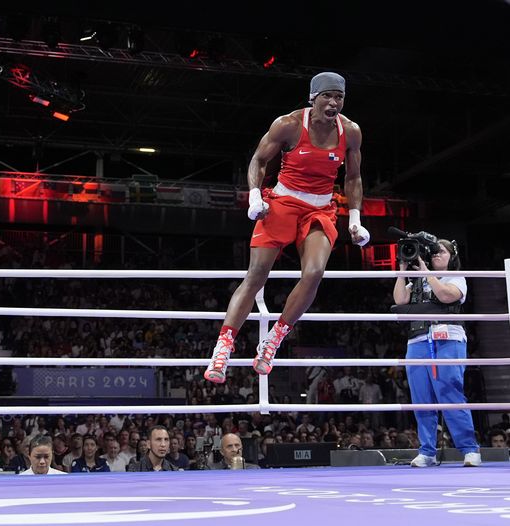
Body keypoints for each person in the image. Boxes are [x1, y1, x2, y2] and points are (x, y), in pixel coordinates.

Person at [205, 72, 369, 382]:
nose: (334, 102)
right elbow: (258, 160)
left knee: (315, 273)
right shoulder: (289, 124)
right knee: (256, 275)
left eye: (339, 97)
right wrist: (254, 196)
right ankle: (223, 346)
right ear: (313, 97)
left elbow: (353, 177)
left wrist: (355, 218)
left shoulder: (351, 132)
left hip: (320, 208)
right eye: (327, 96)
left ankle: (275, 339)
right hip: (282, 202)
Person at [392, 240, 481, 467]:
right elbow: (400, 300)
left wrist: (426, 273)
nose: (437, 255)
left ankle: (470, 449)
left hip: (449, 339)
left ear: (452, 256)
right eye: (434, 252)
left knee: (450, 392)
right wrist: (403, 271)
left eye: (442, 252)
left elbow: (446, 296)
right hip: (418, 340)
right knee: (421, 399)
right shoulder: (419, 280)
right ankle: (427, 451)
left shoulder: (456, 276)